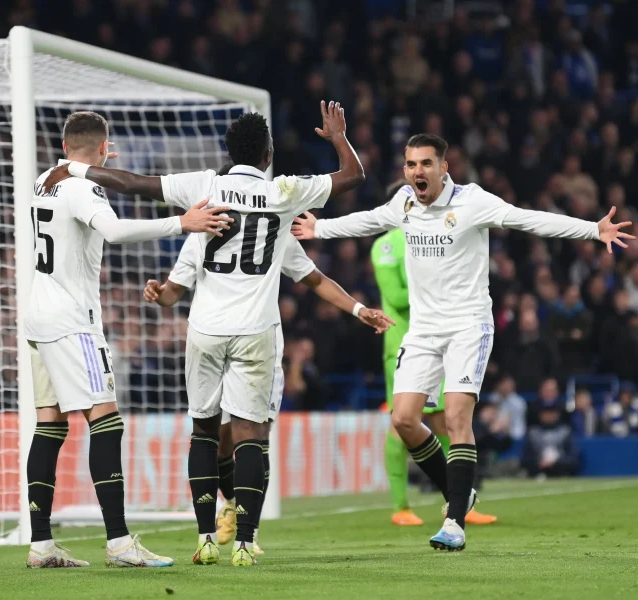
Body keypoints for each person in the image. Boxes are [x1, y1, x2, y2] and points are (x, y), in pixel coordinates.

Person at [43, 101, 365, 566]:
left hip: (205, 330)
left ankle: (205, 539)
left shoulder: (206, 186)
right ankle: (246, 542)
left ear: (228, 151)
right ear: (268, 153)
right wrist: (337, 135)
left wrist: (73, 167)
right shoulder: (285, 191)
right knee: (251, 433)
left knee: (204, 433)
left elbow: (135, 184)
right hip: (255, 328)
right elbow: (352, 175)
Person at [292, 132, 633, 551]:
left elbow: (528, 218)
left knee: (456, 419)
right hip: (423, 329)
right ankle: (460, 490)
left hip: (468, 326)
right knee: (403, 420)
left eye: (426, 164)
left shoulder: (473, 202)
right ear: (405, 169)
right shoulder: (403, 203)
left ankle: (454, 521)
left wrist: (592, 229)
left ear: (443, 168)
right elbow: (368, 220)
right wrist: (319, 227)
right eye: (412, 164)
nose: (418, 171)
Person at [25, 111, 232, 569]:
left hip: (38, 317)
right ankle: (118, 542)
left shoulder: (45, 178)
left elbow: (76, 185)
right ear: (103, 148)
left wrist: (91, 164)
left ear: (65, 147)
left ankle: (41, 545)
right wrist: (182, 222)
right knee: (107, 421)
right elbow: (115, 232)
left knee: (50, 425)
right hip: (72, 320)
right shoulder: (82, 187)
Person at [143, 231, 393, 555]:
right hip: (225, 343)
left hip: (251, 342)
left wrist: (359, 309)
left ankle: (249, 532)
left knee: (255, 436)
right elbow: (171, 292)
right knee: (220, 442)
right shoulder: (205, 232)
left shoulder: (271, 233)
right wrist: (160, 293)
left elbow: (315, 279)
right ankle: (233, 505)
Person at [371, 215, 496, 526]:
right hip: (404, 344)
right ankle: (401, 506)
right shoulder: (386, 244)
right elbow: (396, 297)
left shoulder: (437, 237)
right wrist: (444, 289)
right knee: (401, 422)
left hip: (444, 340)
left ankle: (459, 499)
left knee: (446, 421)